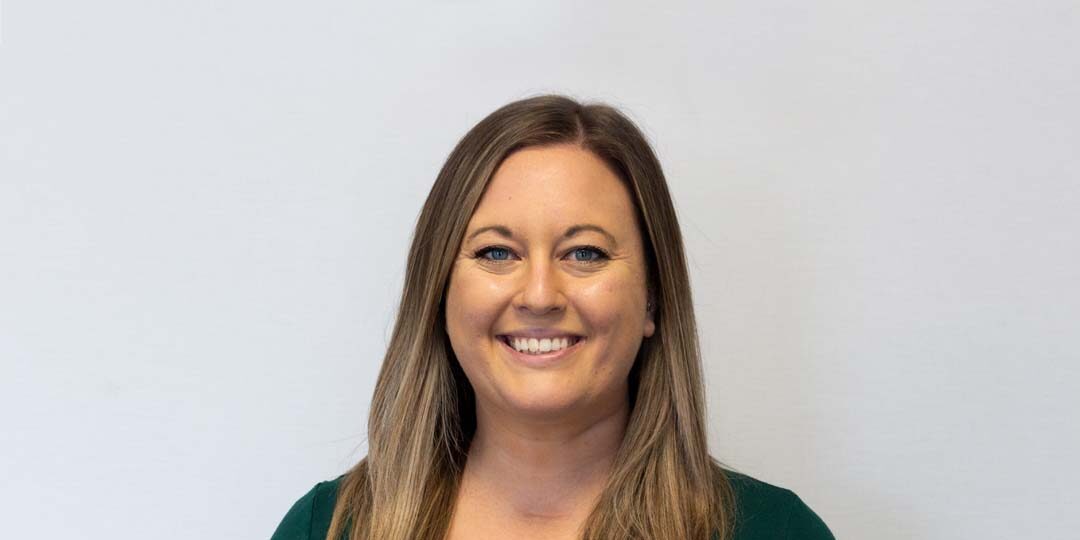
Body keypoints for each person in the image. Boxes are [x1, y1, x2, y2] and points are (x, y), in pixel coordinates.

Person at [270, 95, 834, 540]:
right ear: (439, 292)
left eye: (584, 253)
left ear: (653, 299)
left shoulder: (775, 531)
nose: (539, 294)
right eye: (497, 253)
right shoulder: (327, 528)